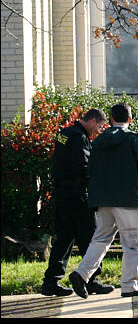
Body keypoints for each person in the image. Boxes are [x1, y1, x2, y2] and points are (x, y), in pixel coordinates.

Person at [69, 103, 138, 299]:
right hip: (128, 199)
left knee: (100, 239)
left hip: (102, 199)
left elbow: (89, 168)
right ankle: (129, 285)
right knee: (132, 243)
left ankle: (81, 274)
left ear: (110, 120)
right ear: (130, 119)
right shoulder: (134, 140)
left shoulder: (98, 142)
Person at [41, 108, 115, 297]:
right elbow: (83, 168)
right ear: (92, 121)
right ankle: (91, 280)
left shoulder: (65, 134)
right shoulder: (79, 138)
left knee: (64, 239)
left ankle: (51, 282)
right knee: (90, 237)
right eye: (99, 126)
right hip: (77, 197)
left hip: (62, 195)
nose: (98, 130)